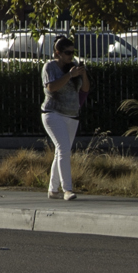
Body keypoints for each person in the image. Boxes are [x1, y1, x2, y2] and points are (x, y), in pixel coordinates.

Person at [41, 35, 88, 200]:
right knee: (63, 149)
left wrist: (82, 74)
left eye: (72, 53)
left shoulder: (74, 68)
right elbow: (51, 87)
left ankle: (53, 190)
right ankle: (67, 189)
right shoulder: (49, 67)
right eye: (67, 53)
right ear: (57, 53)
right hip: (53, 113)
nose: (70, 56)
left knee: (62, 152)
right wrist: (69, 75)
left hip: (71, 115)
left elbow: (85, 89)